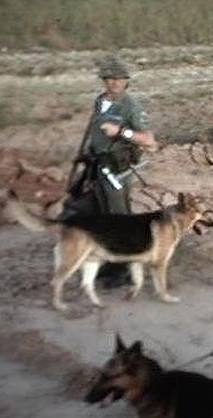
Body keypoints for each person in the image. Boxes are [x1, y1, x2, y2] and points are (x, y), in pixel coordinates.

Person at [68, 54, 156, 287]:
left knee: (121, 220)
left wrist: (121, 132)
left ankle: (126, 270)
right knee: (105, 218)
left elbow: (149, 140)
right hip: (97, 167)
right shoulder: (100, 102)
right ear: (103, 81)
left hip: (117, 171)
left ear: (127, 81)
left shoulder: (130, 106)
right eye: (110, 78)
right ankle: (112, 263)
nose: (114, 82)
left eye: (119, 78)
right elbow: (95, 133)